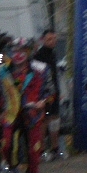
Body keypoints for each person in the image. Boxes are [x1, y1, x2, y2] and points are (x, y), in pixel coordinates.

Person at [0, 39, 54, 173]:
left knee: (34, 148)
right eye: (14, 50)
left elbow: (50, 91)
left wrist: (43, 102)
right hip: (10, 113)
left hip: (32, 114)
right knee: (6, 145)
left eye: (22, 50)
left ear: (29, 52)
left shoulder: (41, 69)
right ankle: (14, 171)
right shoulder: (1, 71)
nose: (18, 54)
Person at [33, 29, 66, 161]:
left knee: (55, 119)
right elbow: (37, 76)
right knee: (44, 120)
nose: (52, 42)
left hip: (54, 91)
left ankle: (55, 148)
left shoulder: (53, 53)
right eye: (49, 39)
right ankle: (41, 151)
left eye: (54, 39)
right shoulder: (39, 55)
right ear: (43, 40)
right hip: (44, 92)